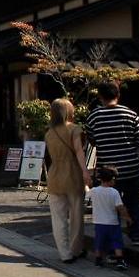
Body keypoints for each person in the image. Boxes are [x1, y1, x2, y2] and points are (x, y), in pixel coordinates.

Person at [85, 81, 139, 245]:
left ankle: (114, 242)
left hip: (107, 171)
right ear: (118, 95)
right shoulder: (130, 114)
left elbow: (91, 139)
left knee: (109, 207)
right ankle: (137, 235)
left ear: (100, 97)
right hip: (131, 168)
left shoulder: (94, 116)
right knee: (133, 202)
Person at [44, 98, 89, 263]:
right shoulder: (75, 129)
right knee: (76, 215)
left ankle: (64, 253)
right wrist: (85, 172)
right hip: (73, 174)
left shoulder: (49, 133)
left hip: (54, 174)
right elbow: (79, 152)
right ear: (68, 111)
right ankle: (75, 249)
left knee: (58, 217)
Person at [90, 168, 131, 270]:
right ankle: (120, 260)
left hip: (99, 222)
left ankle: (98, 259)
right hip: (112, 222)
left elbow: (87, 193)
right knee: (116, 241)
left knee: (99, 241)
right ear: (111, 180)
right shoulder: (114, 192)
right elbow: (120, 207)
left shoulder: (94, 191)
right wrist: (127, 217)